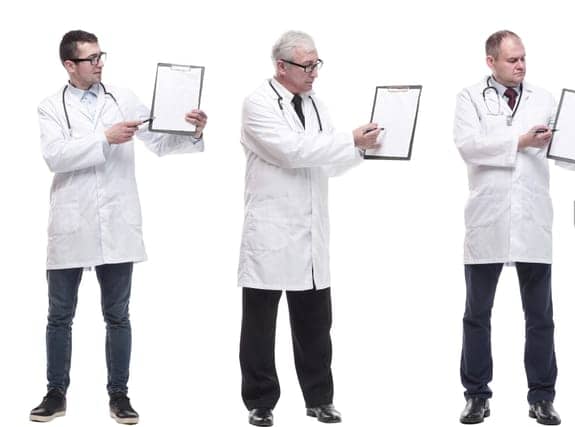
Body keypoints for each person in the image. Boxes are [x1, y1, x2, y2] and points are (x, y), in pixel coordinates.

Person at [30, 29, 209, 426]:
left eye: (100, 56)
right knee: (59, 316)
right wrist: (105, 138)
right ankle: (55, 394)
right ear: (69, 65)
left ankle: (119, 396)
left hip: (117, 223)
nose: (99, 63)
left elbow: (160, 143)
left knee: (118, 316)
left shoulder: (122, 98)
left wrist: (193, 129)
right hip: (71, 225)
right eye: (90, 58)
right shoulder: (49, 107)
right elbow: (54, 157)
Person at [452, 29, 575, 426]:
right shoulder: (469, 98)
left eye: (523, 58)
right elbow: (467, 145)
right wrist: (517, 142)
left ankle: (542, 397)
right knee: (477, 314)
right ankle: (476, 395)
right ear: (491, 61)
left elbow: (565, 153)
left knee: (540, 316)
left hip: (532, 220)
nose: (520, 66)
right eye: (512, 60)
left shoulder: (544, 99)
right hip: (487, 219)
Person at [236, 30, 380, 427]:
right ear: (281, 67)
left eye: (317, 63)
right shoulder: (257, 104)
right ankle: (260, 402)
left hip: (311, 232)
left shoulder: (315, 104)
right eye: (307, 65)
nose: (315, 72)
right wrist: (347, 139)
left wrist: (362, 148)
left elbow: (327, 162)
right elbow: (291, 151)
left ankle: (320, 398)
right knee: (260, 325)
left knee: (316, 323)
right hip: (270, 232)